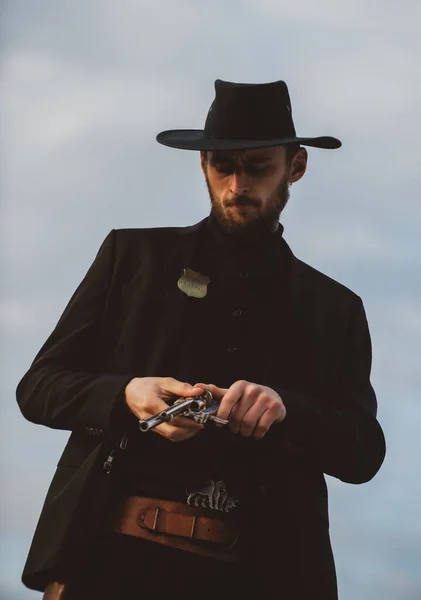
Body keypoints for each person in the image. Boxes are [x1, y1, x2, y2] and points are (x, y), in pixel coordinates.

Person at [17, 79, 386, 600]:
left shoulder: (336, 307)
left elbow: (364, 451)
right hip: (109, 565)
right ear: (203, 165)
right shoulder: (131, 256)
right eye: (222, 167)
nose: (237, 185)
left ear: (296, 167)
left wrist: (287, 410)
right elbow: (38, 388)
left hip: (263, 578)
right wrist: (127, 394)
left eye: (258, 167)